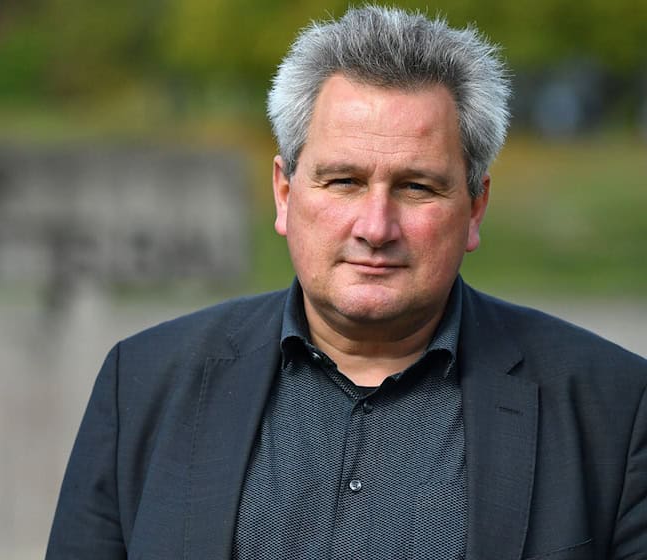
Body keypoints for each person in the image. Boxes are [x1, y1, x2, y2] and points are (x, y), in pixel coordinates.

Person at [46, 6, 647, 559]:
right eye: (342, 182)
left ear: (475, 206)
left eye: (417, 187)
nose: (376, 227)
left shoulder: (613, 408)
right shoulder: (144, 383)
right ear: (284, 193)